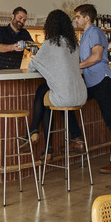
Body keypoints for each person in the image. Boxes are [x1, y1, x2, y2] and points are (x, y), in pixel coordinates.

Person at [70, 4, 111, 174]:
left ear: (87, 18)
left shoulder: (95, 32)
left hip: (102, 81)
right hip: (92, 83)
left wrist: (76, 66)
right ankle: (76, 137)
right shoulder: (85, 34)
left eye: (78, 17)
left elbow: (96, 57)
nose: (76, 20)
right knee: (69, 102)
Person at [27, 10, 88, 160]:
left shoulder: (50, 43)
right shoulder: (74, 44)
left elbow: (32, 66)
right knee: (47, 93)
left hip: (65, 97)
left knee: (45, 95)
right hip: (81, 94)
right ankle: (76, 138)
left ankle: (36, 133)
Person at [0, 6, 33, 70]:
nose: (22, 21)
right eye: (20, 18)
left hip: (11, 74)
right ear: (12, 16)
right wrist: (13, 47)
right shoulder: (0, 30)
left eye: (24, 20)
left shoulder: (24, 33)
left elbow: (33, 48)